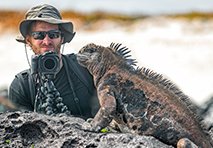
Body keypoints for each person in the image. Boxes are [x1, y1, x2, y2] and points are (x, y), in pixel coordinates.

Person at [9, 4, 100, 119]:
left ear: (62, 38)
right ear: (28, 40)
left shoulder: (85, 67)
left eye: (53, 35)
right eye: (39, 35)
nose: (47, 41)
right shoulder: (21, 85)